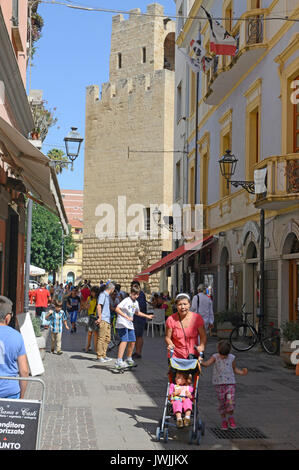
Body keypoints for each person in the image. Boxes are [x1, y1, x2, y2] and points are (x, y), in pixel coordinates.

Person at [201, 339, 248, 430]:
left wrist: (242, 372)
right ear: (218, 350)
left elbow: (234, 369)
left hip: (230, 384)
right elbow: (207, 364)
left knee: (230, 402)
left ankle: (230, 418)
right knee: (222, 403)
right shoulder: (215, 357)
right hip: (219, 384)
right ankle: (223, 420)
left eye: (224, 356)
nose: (223, 357)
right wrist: (200, 361)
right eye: (222, 355)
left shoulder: (231, 358)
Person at [114, 285, 154, 370]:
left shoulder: (136, 302)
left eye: (137, 294)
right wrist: (126, 317)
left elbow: (137, 312)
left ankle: (128, 358)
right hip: (122, 323)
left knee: (133, 340)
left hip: (129, 324)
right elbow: (117, 309)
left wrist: (147, 316)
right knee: (124, 340)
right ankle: (119, 360)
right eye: (134, 294)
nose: (136, 296)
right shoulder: (126, 300)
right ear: (131, 293)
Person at [0, 296, 29, 399]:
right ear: (7, 317)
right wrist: (22, 396)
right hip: (9, 392)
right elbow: (24, 371)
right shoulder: (16, 336)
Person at [165, 293, 207, 359]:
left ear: (189, 305)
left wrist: (202, 346)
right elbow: (168, 337)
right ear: (176, 306)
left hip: (193, 355)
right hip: (176, 356)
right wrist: (170, 345)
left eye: (185, 304)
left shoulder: (197, 318)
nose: (182, 307)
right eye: (180, 304)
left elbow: (203, 336)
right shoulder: (171, 319)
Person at [95, 282, 115, 363]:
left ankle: (104, 354)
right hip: (103, 319)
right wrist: (100, 317)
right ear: (112, 289)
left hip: (107, 319)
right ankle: (99, 356)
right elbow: (99, 305)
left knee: (107, 338)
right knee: (101, 338)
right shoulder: (103, 295)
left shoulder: (107, 296)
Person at [131, 280, 147, 360]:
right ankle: (137, 352)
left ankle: (138, 352)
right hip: (136, 318)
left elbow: (140, 306)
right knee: (137, 336)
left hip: (139, 319)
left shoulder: (140, 294)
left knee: (139, 336)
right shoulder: (139, 294)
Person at [84, 286, 99, 353]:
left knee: (95, 334)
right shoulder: (89, 298)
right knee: (89, 333)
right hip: (90, 316)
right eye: (92, 292)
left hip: (96, 317)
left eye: (93, 292)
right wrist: (87, 306)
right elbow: (85, 306)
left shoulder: (98, 299)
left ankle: (96, 349)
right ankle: (87, 347)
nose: (92, 293)